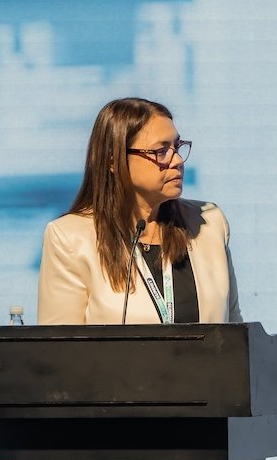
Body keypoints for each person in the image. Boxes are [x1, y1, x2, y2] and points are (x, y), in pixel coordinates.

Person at [36, 97, 242, 325]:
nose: (177, 160)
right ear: (114, 161)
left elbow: (236, 333)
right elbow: (59, 344)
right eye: (161, 151)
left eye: (177, 147)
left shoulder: (209, 223)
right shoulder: (69, 238)